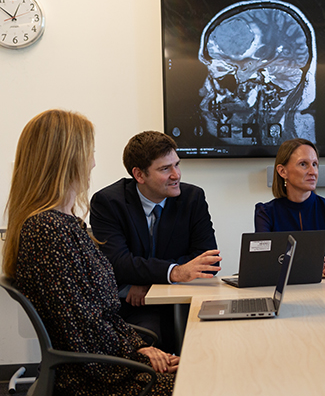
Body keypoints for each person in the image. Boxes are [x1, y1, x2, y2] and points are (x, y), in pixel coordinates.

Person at [2, 110, 177, 395]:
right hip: (93, 379)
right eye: (89, 152)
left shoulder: (61, 225)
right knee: (204, 379)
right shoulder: (49, 230)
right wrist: (139, 356)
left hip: (104, 365)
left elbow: (96, 319)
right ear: (67, 160)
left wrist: (140, 348)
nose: (93, 162)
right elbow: (81, 329)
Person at [90, 131, 221, 352]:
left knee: (214, 342)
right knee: (153, 339)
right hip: (133, 305)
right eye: (165, 169)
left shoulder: (192, 198)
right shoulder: (109, 202)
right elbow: (116, 263)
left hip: (182, 300)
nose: (176, 174)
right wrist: (175, 271)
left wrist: (152, 281)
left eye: (177, 165)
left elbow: (208, 261)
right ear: (139, 175)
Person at [255, 138, 325, 277]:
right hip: (283, 288)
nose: (313, 171)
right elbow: (261, 263)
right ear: (282, 171)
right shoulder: (265, 212)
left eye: (315, 164)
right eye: (303, 164)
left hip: (321, 287)